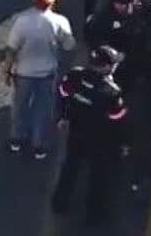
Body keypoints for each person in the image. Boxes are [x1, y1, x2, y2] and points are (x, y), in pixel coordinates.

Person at [51, 45, 130, 224]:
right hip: (99, 139)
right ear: (106, 67)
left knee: (70, 168)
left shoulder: (75, 75)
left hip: (76, 132)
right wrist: (121, 144)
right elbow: (117, 120)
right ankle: (96, 212)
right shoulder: (112, 92)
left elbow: (62, 93)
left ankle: (59, 202)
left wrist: (63, 116)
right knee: (99, 175)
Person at [4, 0, 75, 158]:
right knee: (42, 110)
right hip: (47, 73)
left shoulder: (22, 21)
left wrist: (7, 70)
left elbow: (11, 48)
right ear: (51, 3)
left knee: (20, 107)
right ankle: (39, 145)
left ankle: (17, 140)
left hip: (23, 73)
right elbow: (69, 45)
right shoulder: (59, 22)